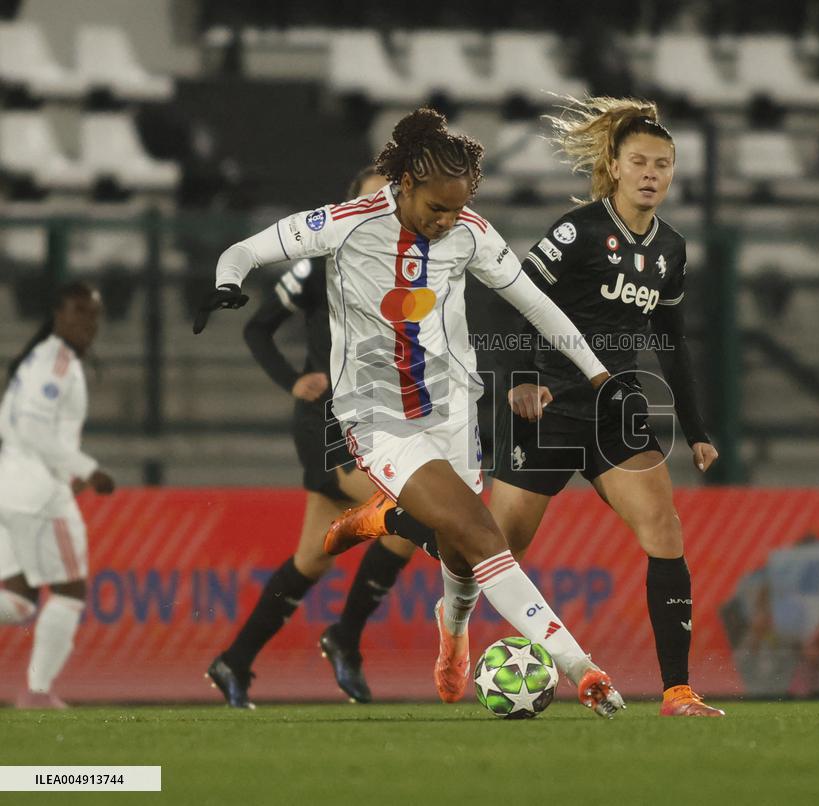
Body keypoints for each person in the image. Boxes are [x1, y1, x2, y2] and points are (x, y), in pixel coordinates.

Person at [194, 108, 630, 717]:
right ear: (405, 185)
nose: (447, 221)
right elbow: (249, 248)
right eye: (437, 208)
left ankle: (452, 635)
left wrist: (598, 372)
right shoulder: (345, 224)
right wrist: (225, 281)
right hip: (376, 418)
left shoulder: (470, 233)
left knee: (464, 557)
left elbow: (536, 305)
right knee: (481, 533)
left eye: (457, 209)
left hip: (453, 410)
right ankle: (582, 668)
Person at [332, 98, 726, 717]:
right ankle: (391, 522)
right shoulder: (577, 233)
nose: (652, 173)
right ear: (615, 168)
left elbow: (671, 343)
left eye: (664, 164)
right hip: (546, 408)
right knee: (482, 548)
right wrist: (521, 380)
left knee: (665, 531)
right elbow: (512, 301)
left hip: (613, 410)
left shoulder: (671, 249)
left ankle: (676, 690)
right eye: (640, 161)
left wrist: (698, 429)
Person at [206, 168, 433, 708]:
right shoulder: (319, 264)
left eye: (390, 195)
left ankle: (233, 661)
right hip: (328, 420)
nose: (381, 204)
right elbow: (257, 328)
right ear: (350, 204)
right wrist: (293, 381)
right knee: (411, 516)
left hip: (376, 419)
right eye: (370, 195)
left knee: (313, 558)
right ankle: (345, 638)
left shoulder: (412, 266)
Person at [0, 281, 115, 709]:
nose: (88, 323)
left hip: (11, 483)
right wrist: (86, 469)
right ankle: (36, 692)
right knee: (69, 591)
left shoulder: (36, 358)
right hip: (40, 493)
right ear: (58, 314)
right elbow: (33, 429)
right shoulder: (57, 363)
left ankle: (37, 691)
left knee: (18, 600)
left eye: (94, 315)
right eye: (78, 312)